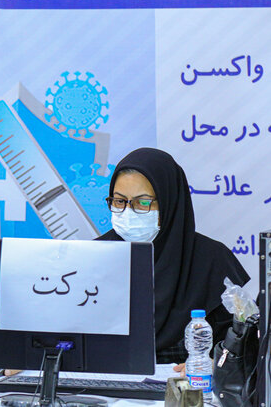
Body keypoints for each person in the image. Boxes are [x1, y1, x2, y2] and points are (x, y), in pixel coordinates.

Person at [97, 147, 250, 368]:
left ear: (170, 203)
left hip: (190, 392)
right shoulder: (95, 258)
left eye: (143, 202)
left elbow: (242, 349)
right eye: (120, 201)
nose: (128, 212)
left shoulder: (212, 261)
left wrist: (212, 366)